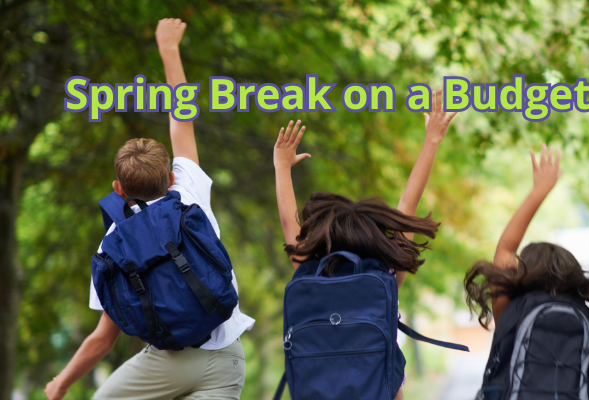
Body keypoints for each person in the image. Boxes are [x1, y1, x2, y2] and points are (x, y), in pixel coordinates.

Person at [45, 18, 255, 400]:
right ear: (170, 178)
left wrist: (61, 384)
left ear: (118, 189)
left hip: (164, 362)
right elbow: (182, 116)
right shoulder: (189, 193)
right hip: (226, 356)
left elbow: (102, 340)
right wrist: (169, 50)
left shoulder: (114, 241)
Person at [272, 91, 457, 400]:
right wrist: (432, 140)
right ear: (374, 239)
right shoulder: (386, 275)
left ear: (322, 238)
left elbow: (287, 222)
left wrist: (281, 166)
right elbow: (407, 203)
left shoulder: (307, 272)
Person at [464, 145, 589, 399]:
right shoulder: (587, 317)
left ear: (524, 271)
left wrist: (539, 190)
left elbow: (505, 248)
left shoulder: (510, 309)